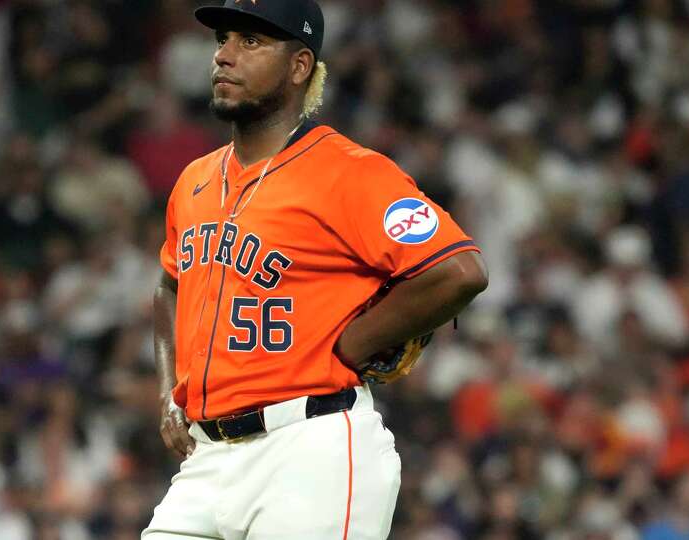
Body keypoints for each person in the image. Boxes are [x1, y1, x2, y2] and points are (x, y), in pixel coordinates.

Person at [144, 1, 488, 538]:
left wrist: (351, 345)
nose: (225, 56)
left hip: (310, 446)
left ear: (300, 66)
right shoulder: (194, 180)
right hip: (206, 462)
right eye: (224, 40)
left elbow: (459, 272)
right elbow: (169, 286)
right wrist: (169, 391)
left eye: (251, 42)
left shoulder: (350, 172)